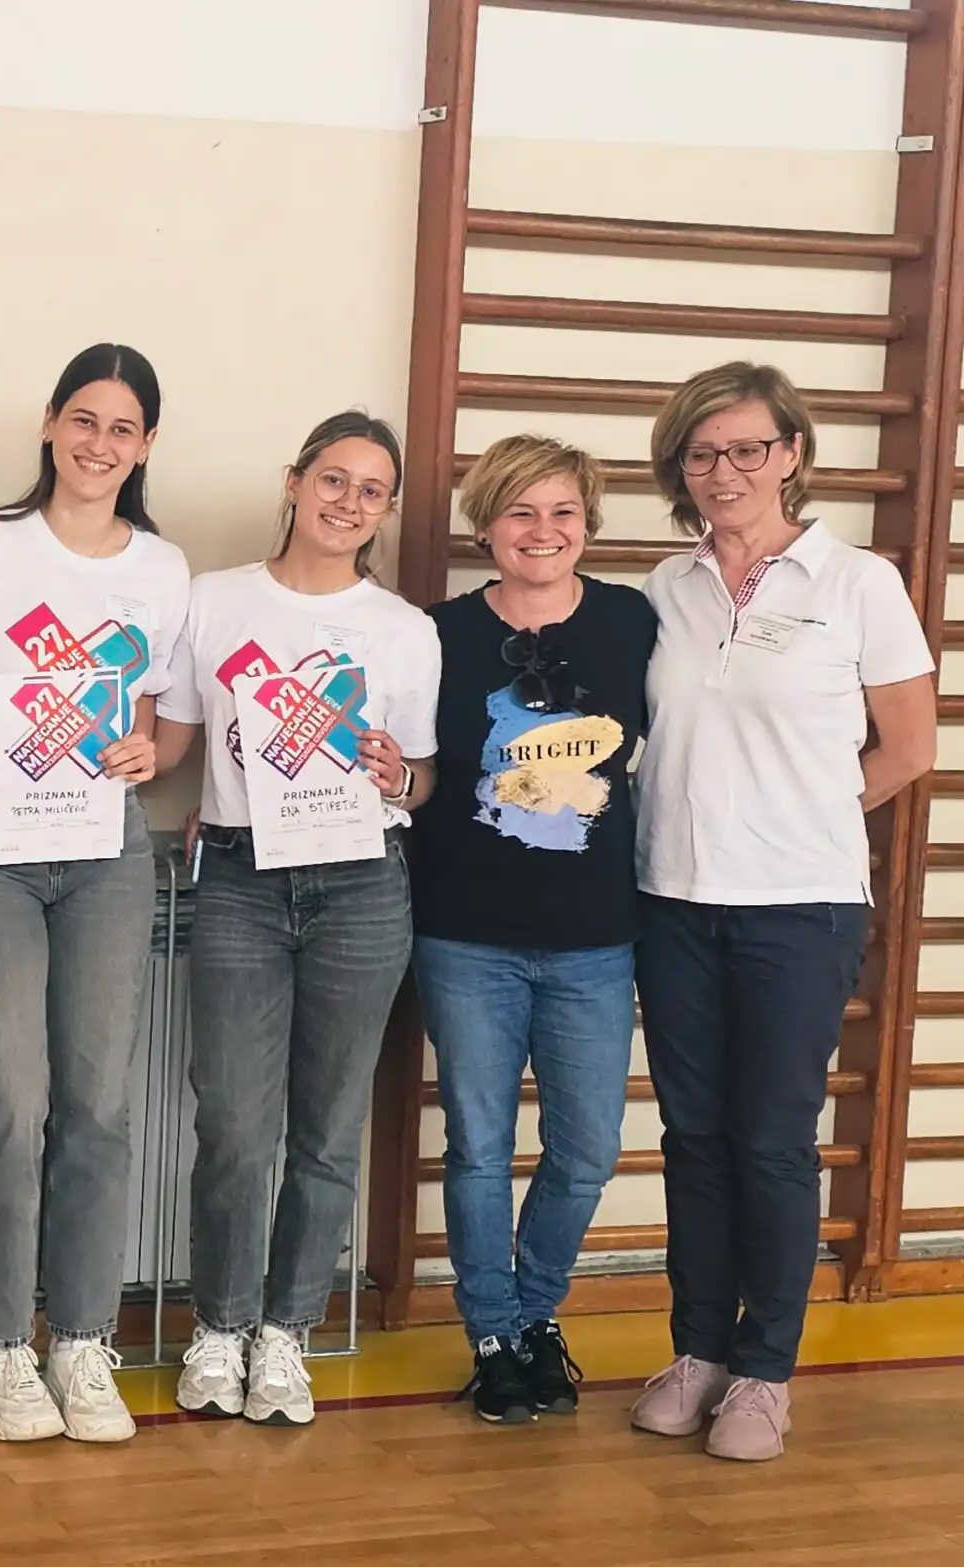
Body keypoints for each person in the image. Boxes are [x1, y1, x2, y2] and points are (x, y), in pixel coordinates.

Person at [625, 363, 935, 1462]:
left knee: (769, 1141)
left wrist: (799, 811)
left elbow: (909, 746)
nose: (725, 471)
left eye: (748, 449)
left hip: (799, 909)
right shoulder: (664, 588)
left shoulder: (858, 582)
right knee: (694, 1139)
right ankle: (698, 1351)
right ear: (680, 468)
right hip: (672, 900)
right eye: (702, 453)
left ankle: (764, 1371)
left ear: (792, 453)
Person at [0, 344, 188, 1443]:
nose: (98, 444)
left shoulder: (161, 568)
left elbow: (160, 725)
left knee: (100, 1105)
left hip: (107, 844)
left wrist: (149, 755)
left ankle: (79, 1337)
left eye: (122, 428)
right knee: (11, 1103)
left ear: (146, 445)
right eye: (83, 419)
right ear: (49, 424)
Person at [155, 410, 439, 1427]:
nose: (347, 502)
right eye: (332, 479)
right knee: (234, 1121)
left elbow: (421, 777)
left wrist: (398, 774)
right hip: (240, 878)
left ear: (385, 510)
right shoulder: (213, 599)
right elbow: (172, 741)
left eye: (371, 491)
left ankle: (285, 1331)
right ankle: (219, 1326)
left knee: (326, 1126)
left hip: (361, 883)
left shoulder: (403, 629)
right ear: (293, 481)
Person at [408, 436, 654, 1424]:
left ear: (587, 524)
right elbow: (415, 769)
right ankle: (494, 1334)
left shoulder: (634, 622)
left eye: (561, 512)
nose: (541, 530)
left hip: (595, 938)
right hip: (465, 934)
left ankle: (535, 1310)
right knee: (477, 1146)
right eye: (519, 510)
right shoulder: (436, 634)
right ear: (485, 526)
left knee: (587, 1148)